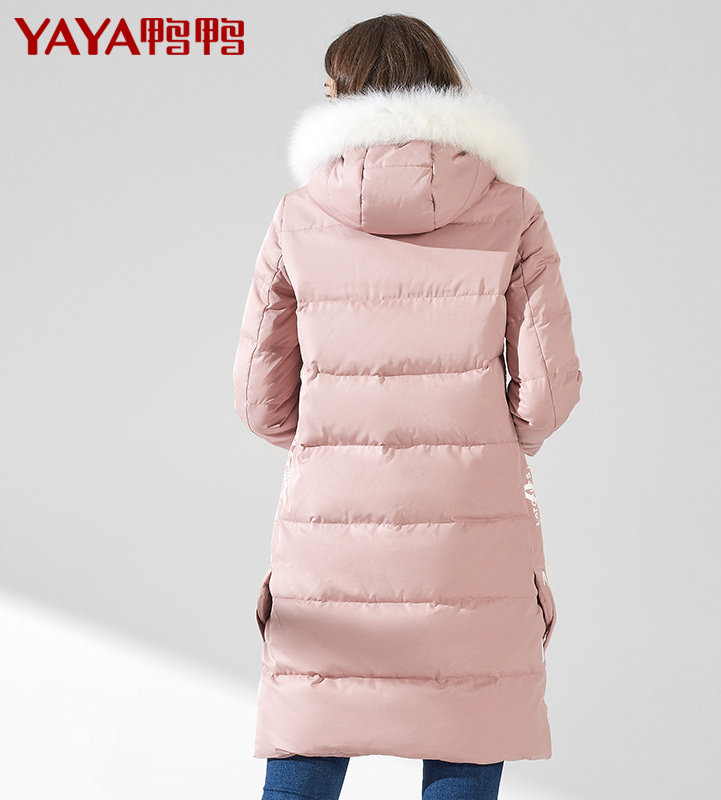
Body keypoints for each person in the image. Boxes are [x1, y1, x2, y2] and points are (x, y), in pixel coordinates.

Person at [232, 13, 583, 800]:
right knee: (466, 724)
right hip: (471, 530)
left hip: (331, 530)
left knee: (313, 726)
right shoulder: (512, 209)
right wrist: (485, 433)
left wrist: (338, 439)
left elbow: (261, 403)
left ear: (347, 96)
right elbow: (547, 397)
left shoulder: (298, 215)